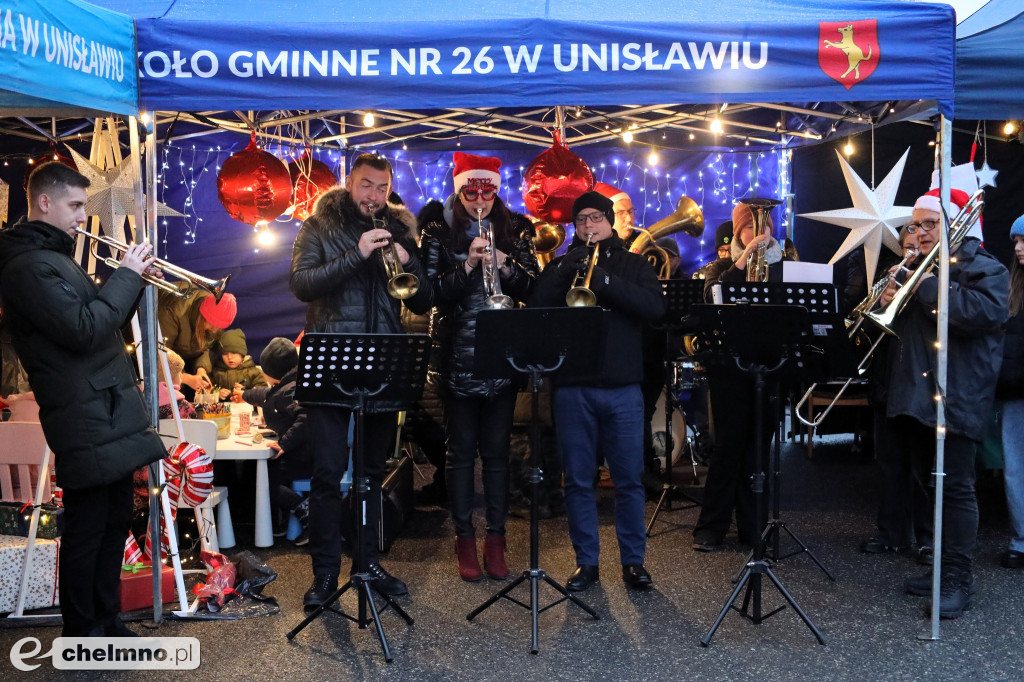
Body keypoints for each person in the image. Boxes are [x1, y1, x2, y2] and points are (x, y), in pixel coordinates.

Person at [0, 162, 166, 636]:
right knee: (88, 526)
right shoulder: (26, 267)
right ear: (44, 203)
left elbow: (97, 316)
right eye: (74, 205)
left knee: (114, 518)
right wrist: (127, 276)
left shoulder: (54, 257)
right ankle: (83, 628)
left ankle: (106, 619)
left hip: (103, 407)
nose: (81, 216)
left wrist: (132, 280)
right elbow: (84, 329)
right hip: (82, 412)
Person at [290, 152, 432, 607]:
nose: (374, 196)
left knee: (372, 475)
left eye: (383, 188)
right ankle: (326, 574)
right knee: (329, 474)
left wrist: (410, 259)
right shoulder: (319, 226)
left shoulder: (402, 227)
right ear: (350, 183)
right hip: (332, 361)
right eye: (367, 185)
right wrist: (359, 253)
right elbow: (302, 283)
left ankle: (367, 563)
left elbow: (423, 299)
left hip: (383, 363)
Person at [528, 190, 666, 592]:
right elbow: (536, 306)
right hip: (572, 387)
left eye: (595, 218)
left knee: (628, 480)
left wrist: (604, 280)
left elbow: (655, 308)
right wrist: (560, 271)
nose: (588, 226)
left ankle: (633, 562)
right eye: (581, 221)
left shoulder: (634, 264)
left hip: (623, 387)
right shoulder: (564, 264)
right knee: (579, 480)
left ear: (609, 220)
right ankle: (586, 562)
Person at [882, 191, 1008, 618]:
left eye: (928, 225)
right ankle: (939, 569)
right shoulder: (921, 267)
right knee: (930, 484)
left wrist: (929, 286)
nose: (918, 234)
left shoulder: (986, 267)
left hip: (957, 396)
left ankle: (957, 579)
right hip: (919, 397)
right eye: (914, 226)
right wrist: (891, 299)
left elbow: (988, 314)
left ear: (953, 225)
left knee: (955, 489)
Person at [419, 152, 539, 581]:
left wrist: (505, 264)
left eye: (488, 192)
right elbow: (429, 295)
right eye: (472, 193)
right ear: (460, 191)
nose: (480, 201)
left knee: (497, 454)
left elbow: (536, 288)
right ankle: (464, 538)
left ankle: (497, 539)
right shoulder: (437, 231)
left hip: (500, 356)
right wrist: (469, 265)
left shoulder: (517, 228)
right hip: (456, 358)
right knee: (460, 455)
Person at [692, 201, 791, 551]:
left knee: (758, 452)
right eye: (752, 228)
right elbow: (710, 297)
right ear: (738, 232)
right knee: (727, 448)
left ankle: (753, 527)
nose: (761, 235)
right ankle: (711, 526)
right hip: (728, 368)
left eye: (766, 227)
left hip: (771, 367)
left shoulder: (785, 267)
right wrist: (744, 259)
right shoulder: (720, 266)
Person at [861, 224, 933, 562]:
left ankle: (928, 539)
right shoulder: (889, 279)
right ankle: (891, 533)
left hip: (920, 386)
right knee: (889, 464)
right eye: (906, 248)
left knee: (923, 468)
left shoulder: (933, 281)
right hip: (887, 380)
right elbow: (863, 330)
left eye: (916, 248)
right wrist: (881, 300)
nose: (910, 254)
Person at [241, 337, 312, 546]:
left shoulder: (291, 391)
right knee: (256, 471)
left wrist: (284, 443)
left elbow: (306, 417)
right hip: (303, 451)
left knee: (260, 478)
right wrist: (243, 395)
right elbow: (266, 394)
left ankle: (306, 510)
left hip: (304, 455)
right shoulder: (290, 384)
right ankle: (278, 522)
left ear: (271, 370)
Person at [996, 214, 1024, 569]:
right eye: (1016, 241)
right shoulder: (1010, 285)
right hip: (1015, 390)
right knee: (1015, 468)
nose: (1018, 248)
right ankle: (1021, 541)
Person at [157, 283, 237, 395]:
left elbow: (206, 346)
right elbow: (157, 356)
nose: (215, 330)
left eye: (219, 327)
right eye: (212, 325)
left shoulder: (215, 318)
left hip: (181, 363)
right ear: (203, 315)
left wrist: (201, 368)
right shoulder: (171, 312)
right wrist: (184, 378)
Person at [208, 328, 268, 400]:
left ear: (242, 354)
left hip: (246, 409)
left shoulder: (254, 372)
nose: (229, 357)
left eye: (234, 352)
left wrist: (245, 392)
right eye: (225, 353)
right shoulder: (216, 372)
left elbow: (263, 391)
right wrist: (216, 393)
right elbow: (206, 389)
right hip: (223, 409)